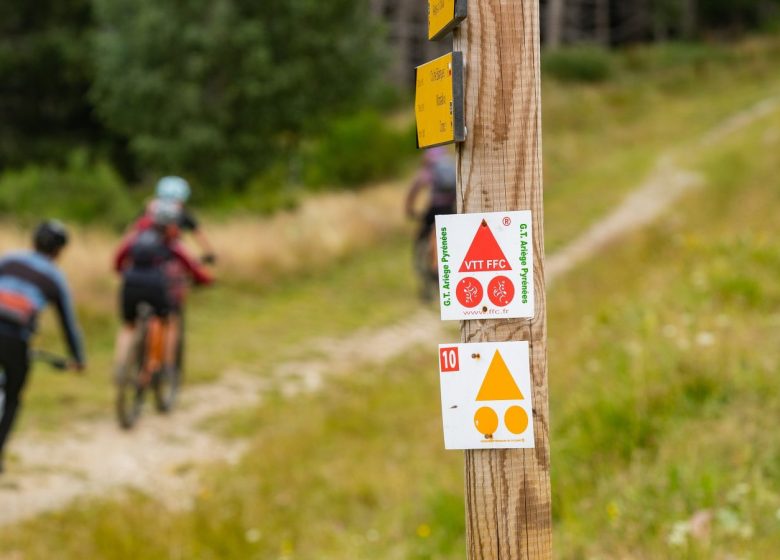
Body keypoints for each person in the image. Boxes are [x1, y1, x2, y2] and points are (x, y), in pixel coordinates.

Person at [0, 221, 86, 474]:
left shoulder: (9, 259)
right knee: (13, 395)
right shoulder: (54, 277)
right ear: (59, 250)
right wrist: (78, 357)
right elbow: (68, 323)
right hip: (16, 338)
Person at [113, 200, 213, 382]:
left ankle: (121, 365)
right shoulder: (172, 244)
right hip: (156, 286)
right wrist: (207, 279)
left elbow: (118, 260)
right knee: (166, 321)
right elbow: (191, 266)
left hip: (130, 283)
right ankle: (162, 367)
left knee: (128, 325)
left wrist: (125, 273)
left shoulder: (134, 239)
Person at [132, 176, 216, 263]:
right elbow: (198, 234)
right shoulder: (181, 212)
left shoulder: (149, 210)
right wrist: (210, 253)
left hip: (144, 257)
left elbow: (132, 232)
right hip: (172, 258)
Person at [405, 147, 457, 241]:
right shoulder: (451, 164)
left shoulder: (429, 169)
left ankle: (424, 252)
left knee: (423, 237)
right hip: (451, 209)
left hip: (435, 209)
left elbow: (414, 189)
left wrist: (409, 208)